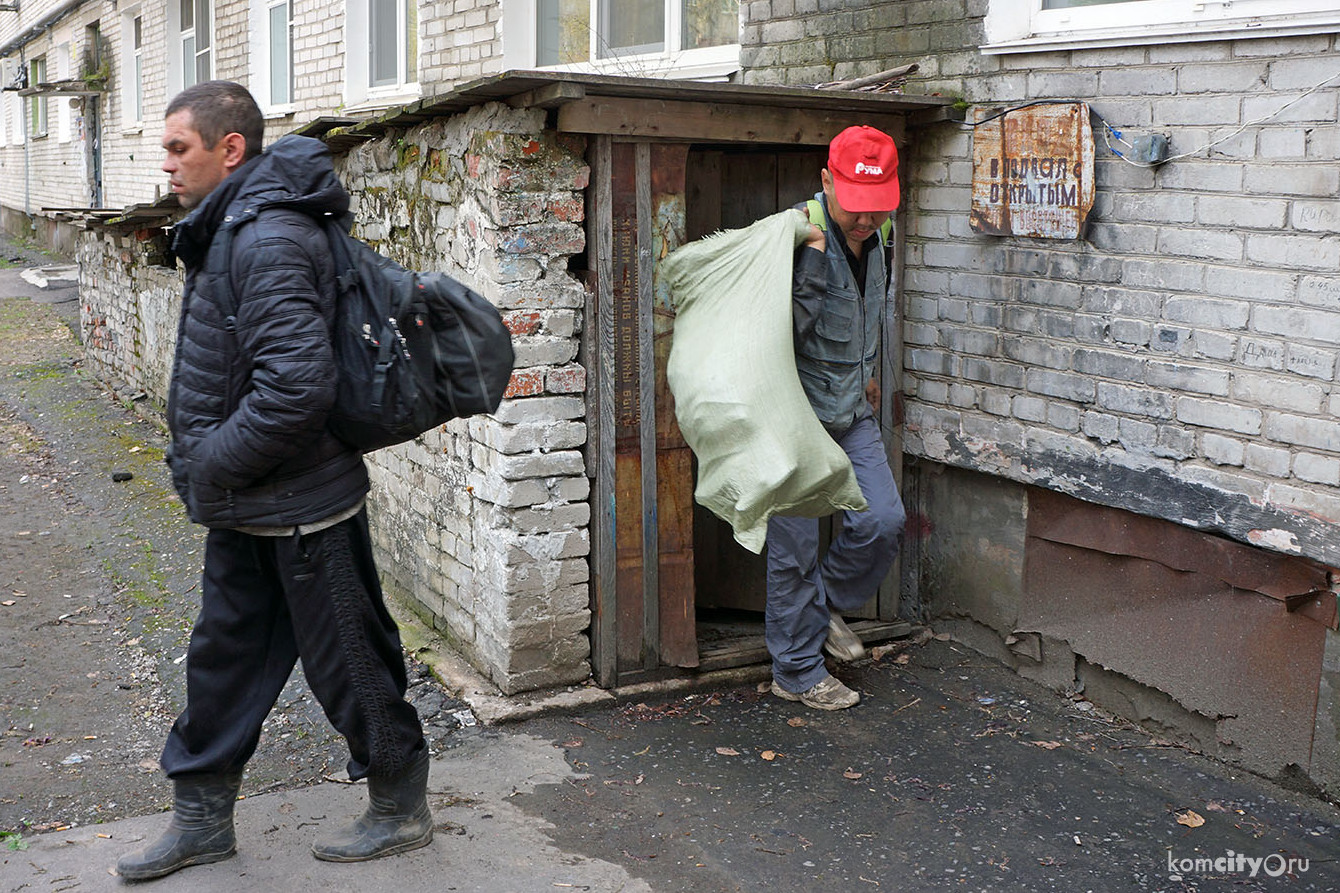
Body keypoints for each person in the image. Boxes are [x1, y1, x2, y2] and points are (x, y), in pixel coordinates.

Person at [116, 81, 431, 881]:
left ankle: (400, 806)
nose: (167, 163)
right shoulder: (231, 227)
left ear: (231, 149)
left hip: (303, 506)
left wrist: (207, 460)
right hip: (250, 504)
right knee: (220, 662)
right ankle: (202, 821)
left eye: (179, 147)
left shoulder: (267, 237)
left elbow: (298, 388)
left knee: (351, 665)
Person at [766, 125, 908, 711]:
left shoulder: (883, 235)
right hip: (793, 416)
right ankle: (796, 672)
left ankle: (819, 611)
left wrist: (868, 366)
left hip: (850, 407)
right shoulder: (794, 235)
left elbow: (869, 310)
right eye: (855, 206)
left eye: (878, 208)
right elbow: (770, 334)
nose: (866, 220)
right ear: (826, 181)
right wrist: (810, 271)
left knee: (883, 520)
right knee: (793, 549)